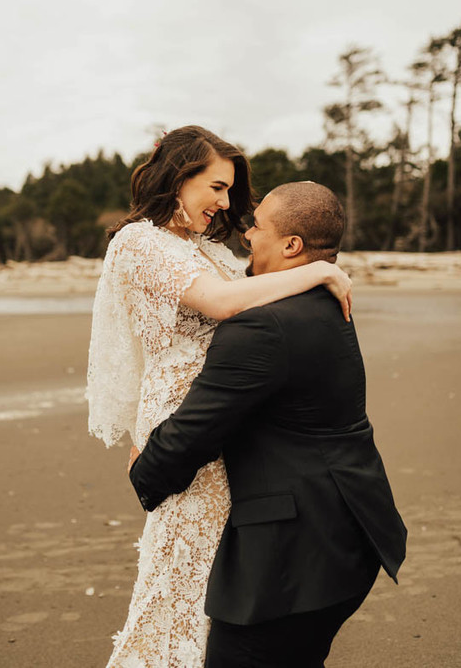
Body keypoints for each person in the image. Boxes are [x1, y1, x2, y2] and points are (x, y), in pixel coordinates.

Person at [86, 127, 353, 668]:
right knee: (184, 569)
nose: (225, 203)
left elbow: (257, 292)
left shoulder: (202, 249)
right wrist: (321, 268)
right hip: (189, 423)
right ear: (178, 177)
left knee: (221, 568)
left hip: (229, 422)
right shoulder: (139, 241)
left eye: (231, 191)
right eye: (216, 186)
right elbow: (224, 302)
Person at [129, 181, 408, 668]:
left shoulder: (263, 325)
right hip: (352, 534)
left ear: (291, 246)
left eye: (257, 226)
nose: (246, 237)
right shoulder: (324, 301)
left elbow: (193, 433)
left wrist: (143, 466)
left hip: (295, 561)